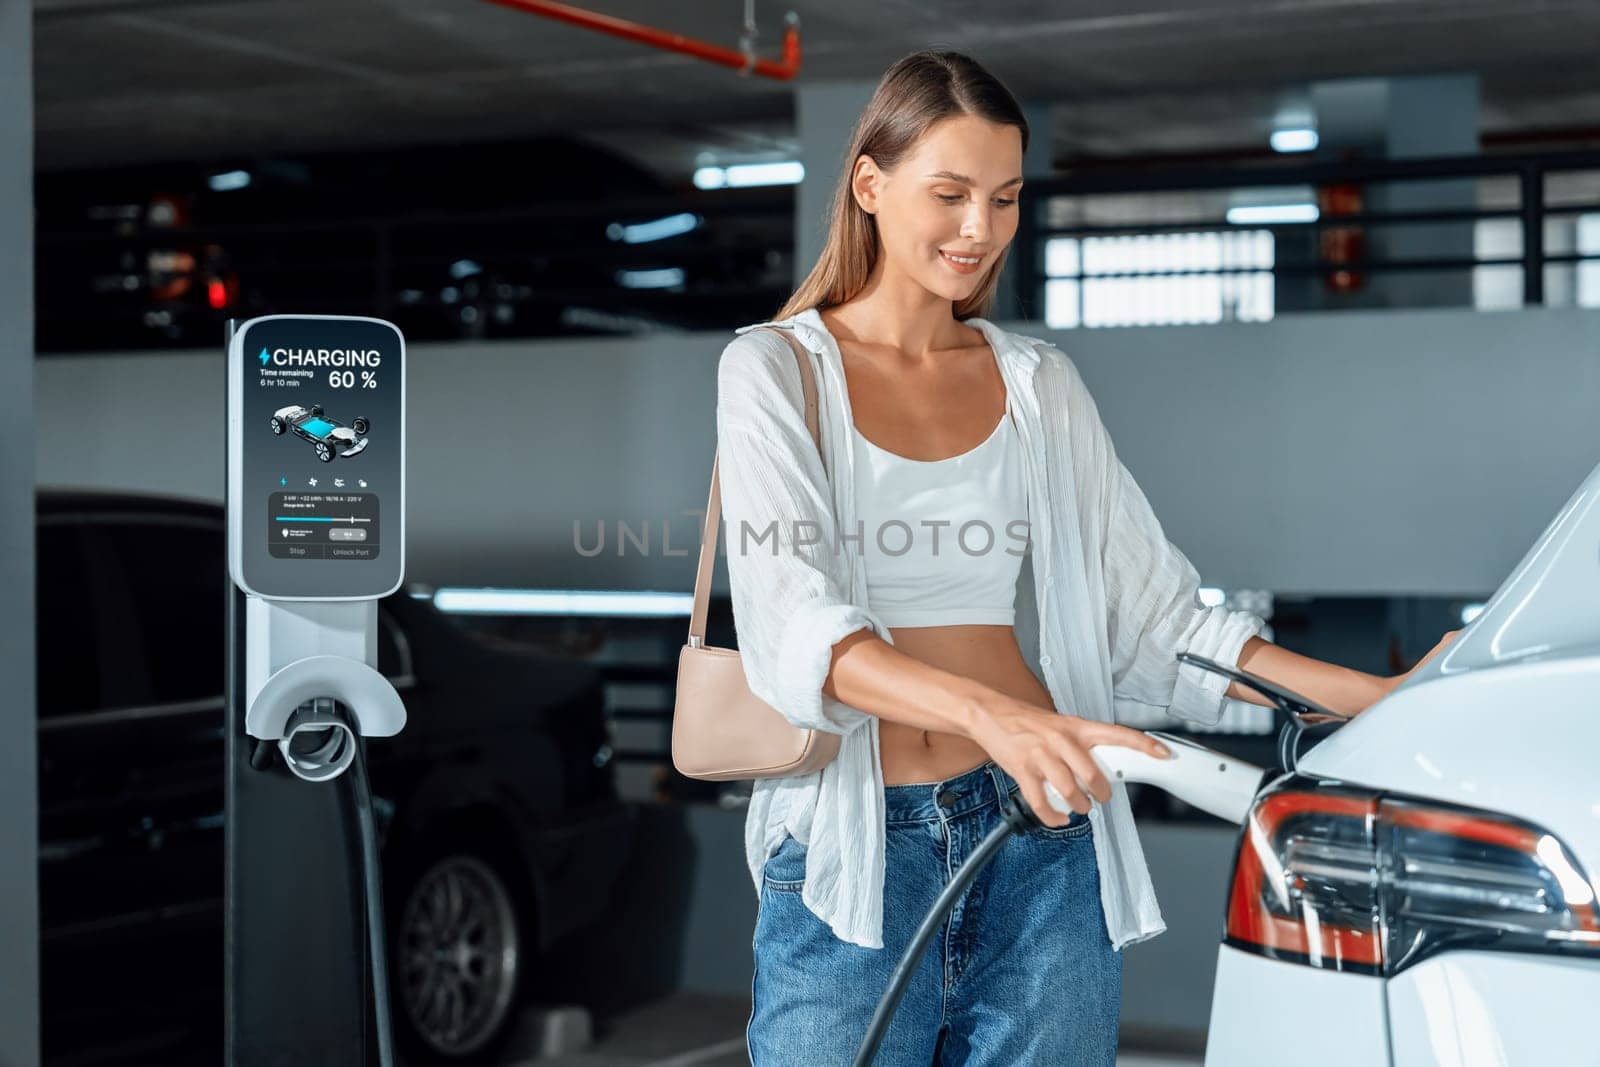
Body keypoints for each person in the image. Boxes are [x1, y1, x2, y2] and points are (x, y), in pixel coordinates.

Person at [716, 49, 1458, 1065]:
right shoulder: (772, 368)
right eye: (949, 193)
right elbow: (796, 621)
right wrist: (996, 712)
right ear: (869, 184)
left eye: (1005, 197)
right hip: (851, 852)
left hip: (1036, 827)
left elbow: (1160, 618)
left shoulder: (1035, 382)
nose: (980, 229)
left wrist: (1372, 695)